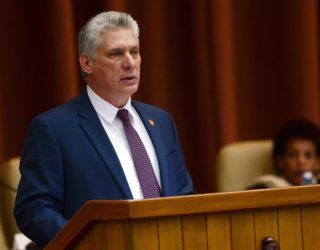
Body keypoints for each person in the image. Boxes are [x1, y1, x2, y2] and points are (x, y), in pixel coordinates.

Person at [14, 11, 194, 247]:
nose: (130, 62)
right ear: (87, 63)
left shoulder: (160, 121)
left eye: (135, 52)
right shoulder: (54, 129)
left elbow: (184, 197)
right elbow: (34, 210)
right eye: (116, 54)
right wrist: (89, 243)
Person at [247, 119, 320, 189]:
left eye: (308, 155)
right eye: (292, 154)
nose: (301, 161)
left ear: (318, 162)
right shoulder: (262, 189)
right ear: (280, 161)